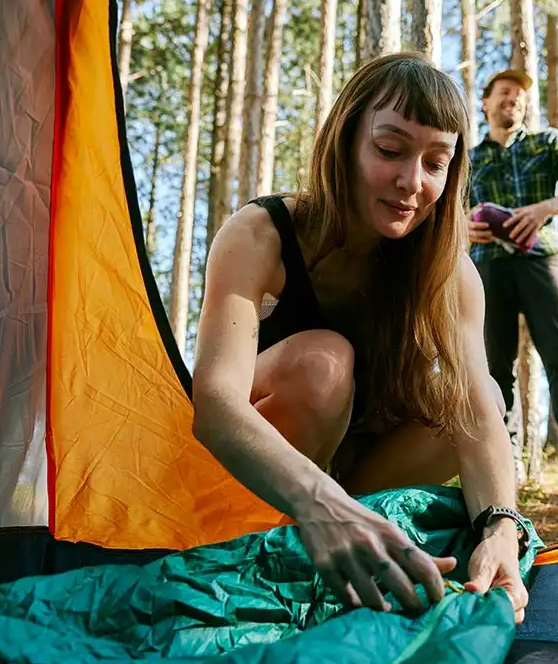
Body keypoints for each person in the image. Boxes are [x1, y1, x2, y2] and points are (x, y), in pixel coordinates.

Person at [190, 52, 529, 625]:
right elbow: (215, 406)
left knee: (486, 401)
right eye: (390, 150)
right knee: (324, 362)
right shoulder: (261, 234)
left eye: (434, 163)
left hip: (351, 483)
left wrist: (500, 529)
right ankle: (273, 543)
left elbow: (477, 410)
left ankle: (341, 539)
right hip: (243, 487)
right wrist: (318, 503)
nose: (410, 182)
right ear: (346, 142)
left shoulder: (449, 274)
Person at [468, 68, 558, 502]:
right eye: (505, 92)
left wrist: (544, 208)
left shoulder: (548, 143)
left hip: (541, 260)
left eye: (520, 95)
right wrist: (463, 227)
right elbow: (447, 212)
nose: (514, 99)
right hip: (487, 267)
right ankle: (502, 470)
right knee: (495, 369)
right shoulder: (469, 158)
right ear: (485, 102)